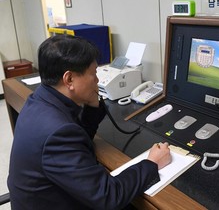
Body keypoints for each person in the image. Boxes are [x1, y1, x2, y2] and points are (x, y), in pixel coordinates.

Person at [8, 35, 172, 210]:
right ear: (69, 79)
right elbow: (108, 196)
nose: (98, 81)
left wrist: (93, 108)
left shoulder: (40, 100)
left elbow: (74, 145)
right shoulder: (58, 133)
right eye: (93, 74)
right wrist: (152, 163)